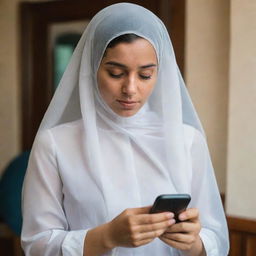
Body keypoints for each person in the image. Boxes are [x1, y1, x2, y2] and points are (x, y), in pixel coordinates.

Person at [21, 3, 229, 256]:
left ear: (159, 74)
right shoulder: (55, 144)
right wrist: (107, 236)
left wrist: (194, 243)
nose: (130, 89)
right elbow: (36, 243)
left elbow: (215, 236)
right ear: (92, 68)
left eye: (145, 75)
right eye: (116, 73)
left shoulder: (186, 140)